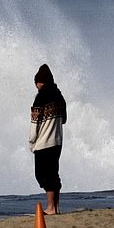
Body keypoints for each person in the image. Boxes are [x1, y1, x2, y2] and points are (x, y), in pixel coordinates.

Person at [29, 63, 66, 215]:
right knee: (53, 173)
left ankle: (50, 208)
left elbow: (34, 123)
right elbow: (64, 119)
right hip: (57, 141)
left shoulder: (41, 97)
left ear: (40, 81)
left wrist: (32, 142)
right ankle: (56, 207)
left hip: (43, 143)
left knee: (43, 175)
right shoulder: (59, 96)